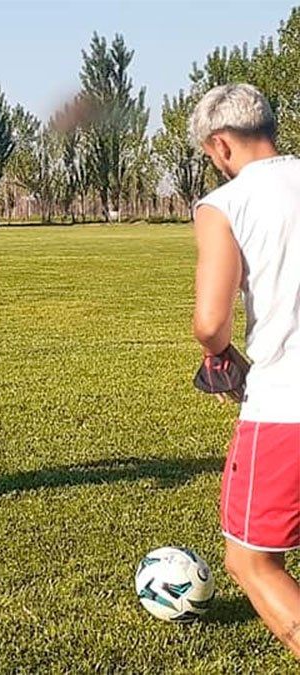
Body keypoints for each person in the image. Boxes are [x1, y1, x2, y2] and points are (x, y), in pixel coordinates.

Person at [190, 83, 300, 657]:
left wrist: (220, 356)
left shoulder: (225, 204)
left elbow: (211, 322)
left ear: (220, 145)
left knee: (252, 560)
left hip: (287, 406)